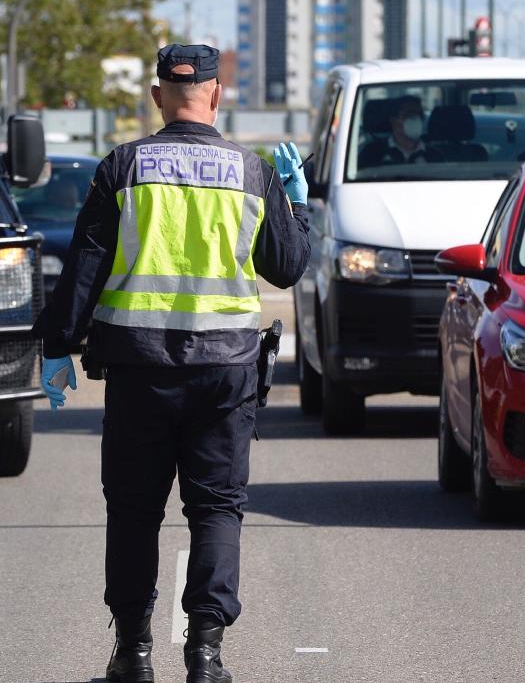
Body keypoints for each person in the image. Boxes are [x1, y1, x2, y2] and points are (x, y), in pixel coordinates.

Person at [31, 43, 312, 683]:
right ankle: (206, 655)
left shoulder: (122, 167)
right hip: (226, 373)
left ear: (158, 95)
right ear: (216, 95)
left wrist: (56, 347)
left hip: (138, 372)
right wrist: (295, 206)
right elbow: (287, 267)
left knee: (134, 512)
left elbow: (84, 269)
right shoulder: (251, 171)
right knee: (215, 508)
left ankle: (132, 654)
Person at [357, 95, 442, 168]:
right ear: (394, 121)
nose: (416, 119)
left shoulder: (434, 156)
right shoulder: (372, 153)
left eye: (419, 115)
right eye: (410, 115)